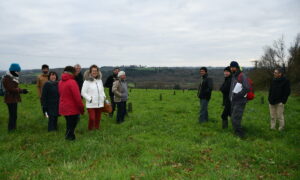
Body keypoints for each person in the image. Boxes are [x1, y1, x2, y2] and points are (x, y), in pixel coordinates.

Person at [59, 66, 84, 140]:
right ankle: (70, 139)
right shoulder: (72, 82)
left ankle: (69, 137)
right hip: (72, 108)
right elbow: (78, 98)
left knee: (68, 124)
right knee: (72, 125)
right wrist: (81, 109)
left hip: (63, 107)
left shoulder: (60, 82)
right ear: (72, 73)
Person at [2, 63, 28, 131]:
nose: (18, 72)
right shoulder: (7, 78)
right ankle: (11, 129)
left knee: (14, 115)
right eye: (18, 71)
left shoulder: (12, 77)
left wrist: (21, 90)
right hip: (10, 99)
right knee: (12, 115)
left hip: (13, 98)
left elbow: (14, 87)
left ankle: (13, 128)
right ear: (13, 70)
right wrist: (22, 91)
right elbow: (11, 89)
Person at [81, 65, 106, 130]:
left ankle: (97, 128)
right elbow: (83, 92)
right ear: (90, 72)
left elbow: (102, 90)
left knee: (98, 118)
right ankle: (90, 129)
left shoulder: (99, 80)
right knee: (92, 118)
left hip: (99, 103)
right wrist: (90, 99)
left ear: (98, 72)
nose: (94, 72)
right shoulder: (86, 81)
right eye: (93, 71)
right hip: (91, 104)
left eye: (96, 71)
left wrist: (104, 96)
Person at [229, 61, 250, 138]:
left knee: (236, 118)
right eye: (231, 67)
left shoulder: (242, 76)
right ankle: (236, 133)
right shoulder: (234, 76)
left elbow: (247, 87)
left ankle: (241, 135)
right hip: (233, 101)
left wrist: (238, 95)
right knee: (233, 117)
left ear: (236, 67)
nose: (231, 68)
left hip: (240, 101)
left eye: (233, 67)